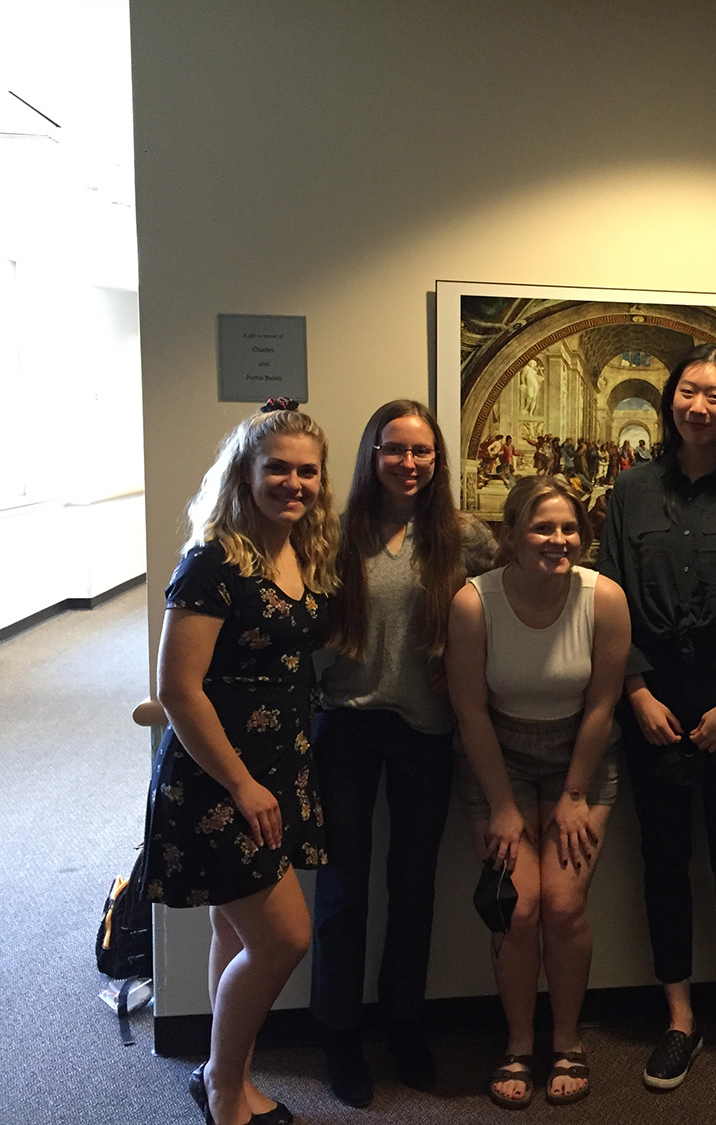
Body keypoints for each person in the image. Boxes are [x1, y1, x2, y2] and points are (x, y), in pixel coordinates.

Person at [141, 401, 339, 1125]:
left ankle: (229, 1075)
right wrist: (243, 783)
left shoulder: (299, 552)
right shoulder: (214, 560)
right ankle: (225, 1092)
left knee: (236, 934)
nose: (293, 481)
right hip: (221, 779)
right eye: (277, 467)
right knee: (285, 936)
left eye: (306, 470)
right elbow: (177, 689)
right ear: (246, 473)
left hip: (278, 768)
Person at [598, 342, 716, 1090]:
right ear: (671, 398)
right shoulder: (630, 491)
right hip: (652, 692)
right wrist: (635, 691)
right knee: (663, 860)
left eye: (715, 395)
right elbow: (610, 595)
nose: (698, 406)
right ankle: (678, 1015)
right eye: (688, 391)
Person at [309, 400, 495, 1106]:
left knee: (413, 887)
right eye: (395, 449)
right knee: (342, 890)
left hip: (426, 728)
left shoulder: (462, 536)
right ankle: (338, 1032)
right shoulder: (335, 535)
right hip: (346, 725)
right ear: (372, 454)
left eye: (422, 452)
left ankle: (404, 1023)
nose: (408, 463)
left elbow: (513, 598)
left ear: (438, 460)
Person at [445, 476, 631, 1110]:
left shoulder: (604, 597)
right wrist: (501, 805)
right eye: (542, 528)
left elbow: (604, 703)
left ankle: (569, 1041)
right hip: (498, 763)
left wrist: (575, 793)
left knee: (563, 905)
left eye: (568, 529)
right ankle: (518, 1045)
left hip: (581, 760)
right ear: (511, 536)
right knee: (517, 910)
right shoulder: (474, 602)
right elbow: (469, 712)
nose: (558, 541)